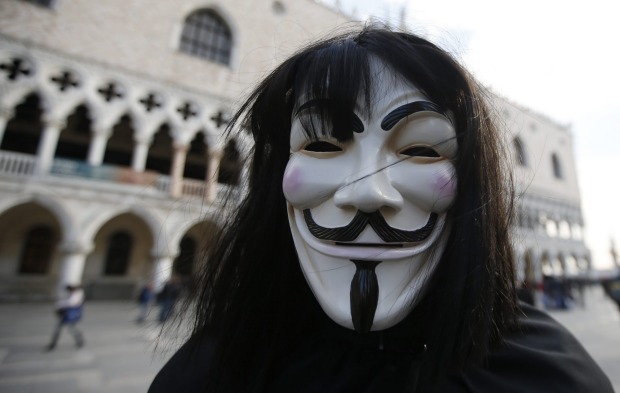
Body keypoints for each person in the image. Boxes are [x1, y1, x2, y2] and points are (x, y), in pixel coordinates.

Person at [149, 26, 613, 392]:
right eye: (324, 144)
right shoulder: (212, 373)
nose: (369, 194)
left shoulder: (547, 378)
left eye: (421, 151)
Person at [46, 284, 85, 351]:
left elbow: (71, 302)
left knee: (69, 328)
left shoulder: (76, 295)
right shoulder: (77, 294)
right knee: (66, 329)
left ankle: (79, 341)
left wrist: (59, 304)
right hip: (68, 315)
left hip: (69, 315)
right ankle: (79, 341)